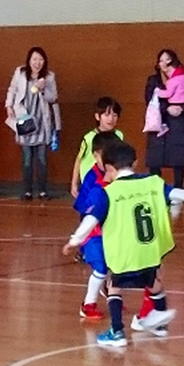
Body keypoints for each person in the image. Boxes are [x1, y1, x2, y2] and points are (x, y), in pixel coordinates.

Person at [64, 142, 184, 346]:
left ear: (108, 168)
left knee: (114, 286)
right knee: (154, 283)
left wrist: (74, 240)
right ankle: (160, 323)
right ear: (134, 162)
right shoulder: (151, 182)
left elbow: (90, 220)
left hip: (126, 254)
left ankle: (117, 332)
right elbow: (175, 193)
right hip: (150, 250)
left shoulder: (108, 193)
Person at [70, 131, 122, 320]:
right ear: (96, 156)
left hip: (110, 229)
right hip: (93, 232)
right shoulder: (93, 179)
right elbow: (85, 208)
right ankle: (88, 305)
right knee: (100, 266)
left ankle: (110, 293)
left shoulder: (115, 173)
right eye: (105, 156)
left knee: (115, 264)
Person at [5, 46, 58, 200]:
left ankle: (43, 190)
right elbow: (12, 89)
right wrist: (9, 106)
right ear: (29, 60)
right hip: (24, 118)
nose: (37, 62)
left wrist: (43, 89)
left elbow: (53, 97)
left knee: (42, 158)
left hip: (42, 120)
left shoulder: (49, 76)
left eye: (40, 59)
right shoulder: (20, 72)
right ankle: (27, 190)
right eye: (34, 59)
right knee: (27, 158)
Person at [144, 49, 184, 190]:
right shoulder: (154, 80)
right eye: (161, 60)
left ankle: (178, 191)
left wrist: (182, 108)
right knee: (155, 159)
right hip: (159, 121)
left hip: (179, 123)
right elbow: (149, 97)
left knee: (178, 159)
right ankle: (157, 190)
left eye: (167, 60)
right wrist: (166, 108)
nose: (163, 63)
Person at [70, 97, 123, 198]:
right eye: (106, 115)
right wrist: (74, 184)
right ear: (97, 117)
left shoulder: (119, 135)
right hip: (91, 183)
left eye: (114, 115)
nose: (111, 119)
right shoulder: (89, 138)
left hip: (109, 181)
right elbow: (79, 160)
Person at [154, 65, 184, 138]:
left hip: (174, 101)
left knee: (163, 113)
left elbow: (168, 93)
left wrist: (158, 92)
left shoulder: (172, 81)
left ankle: (164, 125)